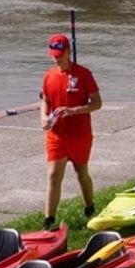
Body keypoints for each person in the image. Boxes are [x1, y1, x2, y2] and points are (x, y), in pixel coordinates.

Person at [39, 33, 102, 231]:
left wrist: (74, 110)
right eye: (53, 55)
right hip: (56, 135)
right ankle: (48, 221)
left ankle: (90, 207)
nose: (56, 59)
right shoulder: (48, 76)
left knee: (81, 173)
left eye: (59, 55)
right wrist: (43, 116)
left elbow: (97, 103)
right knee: (53, 175)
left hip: (79, 135)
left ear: (68, 52)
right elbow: (45, 100)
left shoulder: (83, 74)